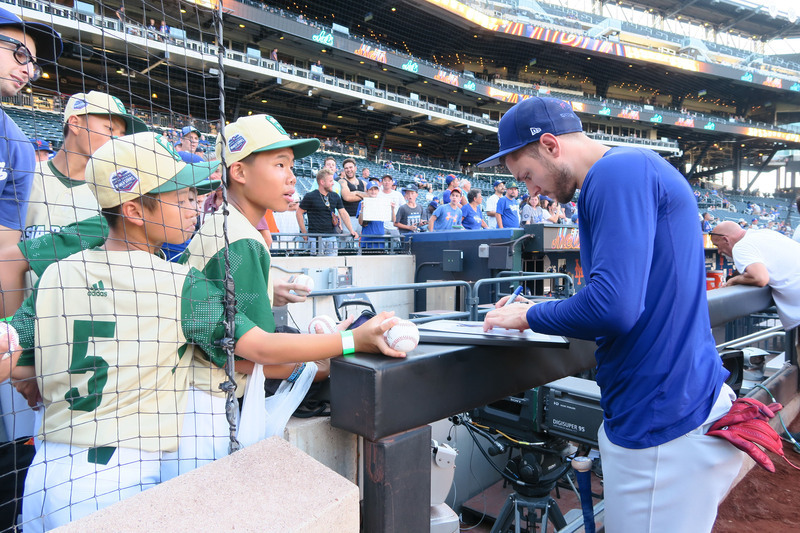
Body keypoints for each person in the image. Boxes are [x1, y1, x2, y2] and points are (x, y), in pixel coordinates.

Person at [480, 96, 742, 533]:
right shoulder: (627, 171)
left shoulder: (616, 173)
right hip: (669, 413)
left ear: (550, 145)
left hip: (664, 424)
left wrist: (529, 316)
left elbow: (614, 306)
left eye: (527, 175)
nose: (530, 191)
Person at [0, 10, 62, 530]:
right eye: (17, 52)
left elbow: (6, 253)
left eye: (34, 62)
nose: (28, 69)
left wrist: (15, 344)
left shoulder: (16, 145)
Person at [24, 91, 149, 241]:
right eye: (110, 129)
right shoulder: (24, 175)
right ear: (75, 124)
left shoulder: (117, 195)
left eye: (122, 135)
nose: (118, 140)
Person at [710, 221, 800, 334]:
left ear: (726, 239)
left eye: (718, 246)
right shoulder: (765, 233)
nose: (719, 251)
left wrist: (734, 280)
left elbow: (760, 278)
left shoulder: (741, 246)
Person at [297, 168, 357, 255]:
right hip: (316, 238)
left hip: (332, 238)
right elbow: (299, 213)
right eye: (331, 181)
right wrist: (304, 233)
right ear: (322, 182)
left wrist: (351, 230)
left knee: (332, 265)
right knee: (317, 266)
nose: (333, 183)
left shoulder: (335, 196)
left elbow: (343, 213)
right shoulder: (310, 196)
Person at [358, 182, 389, 249]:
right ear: (367, 191)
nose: (373, 191)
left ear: (378, 191)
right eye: (371, 189)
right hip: (367, 239)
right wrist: (362, 210)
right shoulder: (362, 203)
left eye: (375, 189)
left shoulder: (382, 203)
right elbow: (360, 222)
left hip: (379, 238)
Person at [338, 157, 366, 230]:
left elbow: (371, 196)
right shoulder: (342, 181)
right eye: (346, 168)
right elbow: (347, 197)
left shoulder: (363, 183)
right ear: (344, 170)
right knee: (347, 241)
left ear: (355, 168)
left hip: (361, 218)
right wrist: (363, 195)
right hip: (348, 218)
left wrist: (354, 193)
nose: (349, 170)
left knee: (360, 241)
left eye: (351, 167)